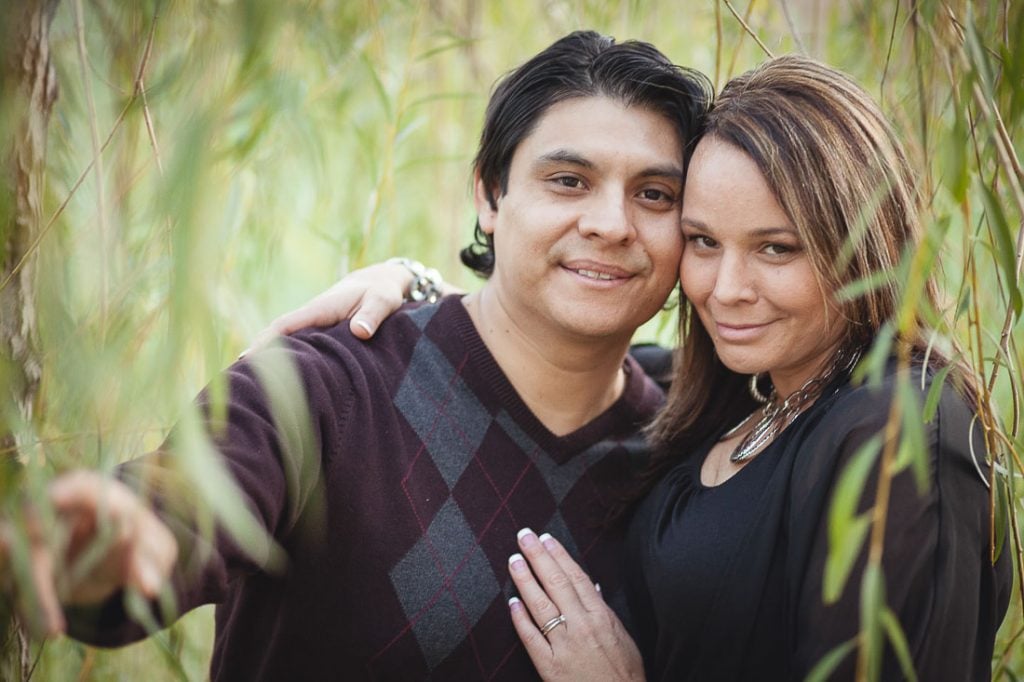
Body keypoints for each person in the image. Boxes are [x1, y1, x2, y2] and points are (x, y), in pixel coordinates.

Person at [278, 56, 1013, 680]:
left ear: (862, 247)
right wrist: (419, 292)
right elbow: (540, 347)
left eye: (776, 248)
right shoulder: (735, 396)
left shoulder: (902, 429)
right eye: (702, 241)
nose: (725, 290)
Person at [15, 31, 713, 681]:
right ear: (489, 195)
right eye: (569, 181)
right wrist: (119, 537)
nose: (611, 224)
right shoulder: (325, 388)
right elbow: (197, 494)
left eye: (654, 195)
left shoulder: (693, 439)